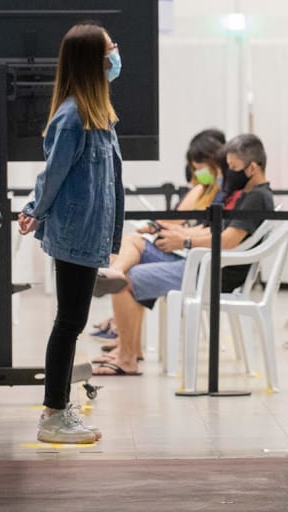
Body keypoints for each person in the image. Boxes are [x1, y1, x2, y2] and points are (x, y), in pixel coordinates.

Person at [18, 22, 124, 444]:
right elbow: (54, 175)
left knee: (72, 321)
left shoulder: (99, 115)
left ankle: (58, 410)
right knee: (69, 323)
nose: (116, 56)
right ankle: (54, 414)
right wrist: (35, 210)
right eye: (110, 49)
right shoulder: (71, 117)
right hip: (75, 234)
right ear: (93, 61)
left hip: (90, 233)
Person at [91, 133, 274, 376]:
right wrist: (179, 234)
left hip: (211, 272)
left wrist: (185, 240)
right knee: (134, 248)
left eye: (233, 167)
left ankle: (126, 358)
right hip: (202, 262)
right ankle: (128, 346)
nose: (228, 173)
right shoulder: (248, 195)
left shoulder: (257, 198)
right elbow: (214, 230)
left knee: (128, 280)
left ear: (252, 168)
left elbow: (229, 240)